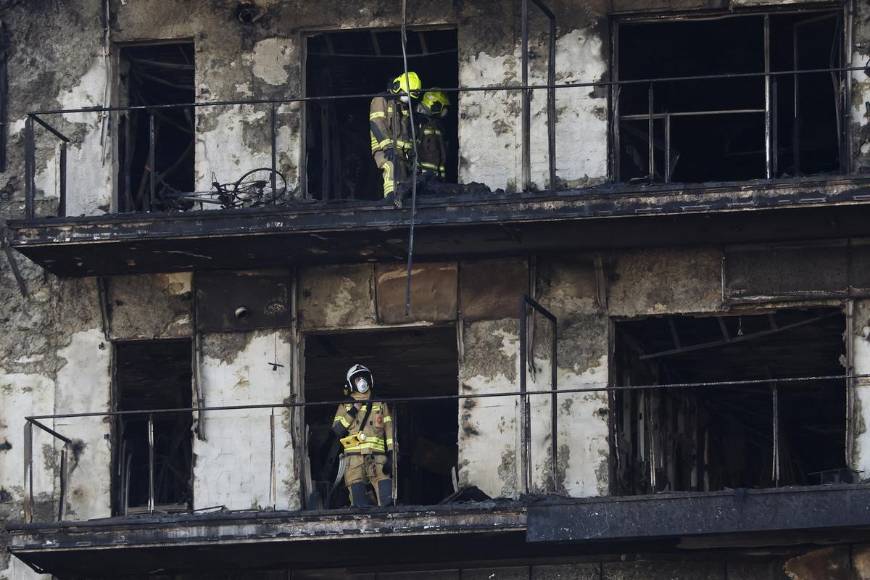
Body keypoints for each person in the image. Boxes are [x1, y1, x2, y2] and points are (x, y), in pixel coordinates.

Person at [332, 364, 395, 507]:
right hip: (354, 459)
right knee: (359, 504)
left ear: (370, 380)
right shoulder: (345, 405)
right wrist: (353, 411)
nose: (362, 381)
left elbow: (390, 431)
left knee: (387, 502)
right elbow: (337, 430)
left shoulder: (380, 404)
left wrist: (392, 454)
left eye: (364, 377)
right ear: (351, 383)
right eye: (358, 378)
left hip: (378, 458)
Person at [369, 72, 422, 205]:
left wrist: (410, 150)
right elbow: (377, 122)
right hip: (384, 148)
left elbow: (406, 131)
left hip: (400, 152)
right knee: (390, 167)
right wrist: (387, 146)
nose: (406, 99)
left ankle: (400, 200)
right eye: (405, 94)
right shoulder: (381, 99)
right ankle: (390, 198)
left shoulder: (403, 106)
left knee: (404, 178)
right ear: (397, 86)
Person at [416, 90, 449, 181]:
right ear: (435, 105)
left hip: (433, 176)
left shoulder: (436, 125)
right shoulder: (418, 123)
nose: (445, 111)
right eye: (443, 107)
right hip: (423, 175)